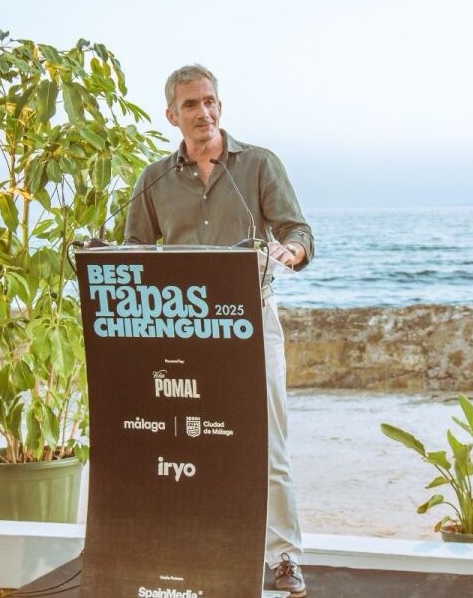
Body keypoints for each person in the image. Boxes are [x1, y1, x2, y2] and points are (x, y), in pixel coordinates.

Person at [124, 64, 313, 598]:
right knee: (191, 441)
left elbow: (297, 230)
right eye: (191, 104)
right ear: (171, 115)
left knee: (267, 441)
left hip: (253, 321)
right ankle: (204, 551)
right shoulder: (153, 179)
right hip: (184, 331)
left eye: (209, 101)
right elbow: (134, 249)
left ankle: (283, 557)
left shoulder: (258, 164)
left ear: (220, 106)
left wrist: (289, 251)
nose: (203, 112)